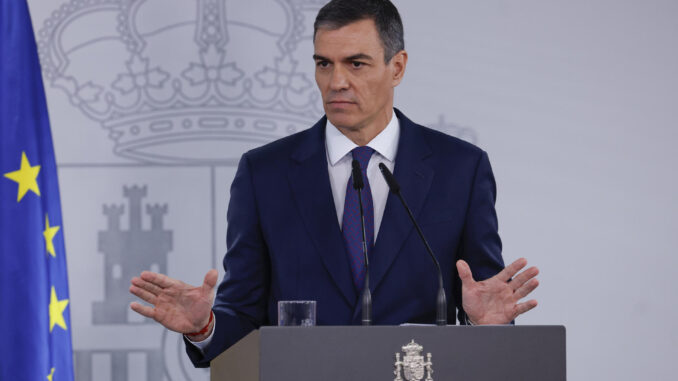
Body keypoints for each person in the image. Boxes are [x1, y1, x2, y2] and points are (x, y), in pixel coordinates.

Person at [129, 0, 539, 368]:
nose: (336, 81)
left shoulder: (460, 169)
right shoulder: (264, 173)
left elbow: (482, 299)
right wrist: (205, 327)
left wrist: (487, 326)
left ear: (397, 67)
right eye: (324, 63)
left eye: (355, 63)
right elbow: (244, 317)